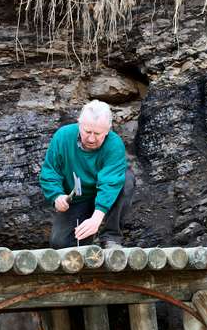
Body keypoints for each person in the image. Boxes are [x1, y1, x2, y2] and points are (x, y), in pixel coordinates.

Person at [39, 100, 135, 249]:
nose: (91, 139)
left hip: (104, 194)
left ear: (108, 130)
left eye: (97, 134)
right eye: (87, 131)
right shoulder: (63, 136)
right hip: (78, 198)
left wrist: (97, 218)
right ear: (79, 124)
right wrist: (56, 195)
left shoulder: (114, 144)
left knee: (126, 179)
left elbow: (110, 183)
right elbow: (50, 171)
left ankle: (111, 237)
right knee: (60, 244)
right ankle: (88, 241)